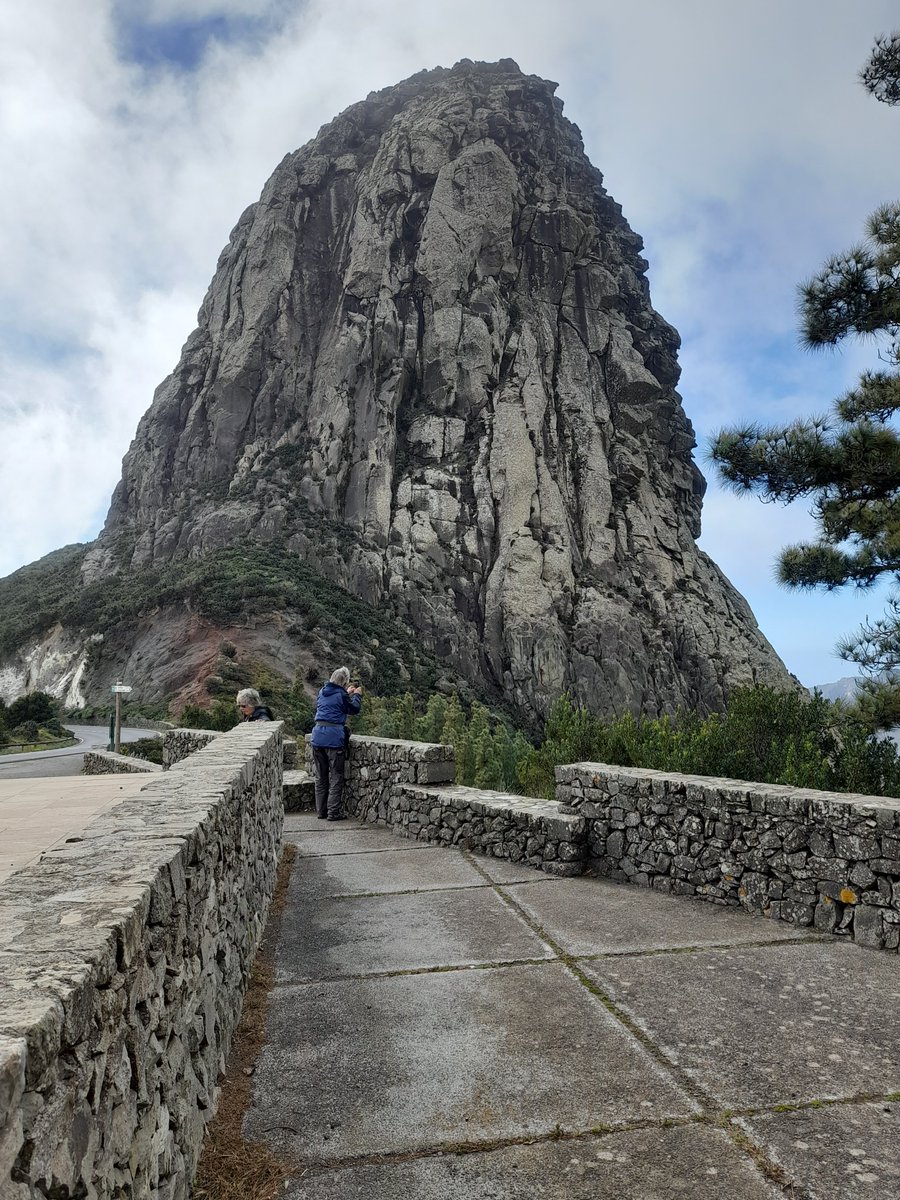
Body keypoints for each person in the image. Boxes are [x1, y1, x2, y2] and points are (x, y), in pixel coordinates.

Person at [310, 667, 362, 821]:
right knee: (336, 777)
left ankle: (321, 811)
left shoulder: (322, 692)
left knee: (321, 777)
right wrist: (357, 696)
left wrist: (347, 692)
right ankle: (333, 813)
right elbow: (354, 709)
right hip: (334, 739)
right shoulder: (341, 694)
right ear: (345, 681)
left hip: (317, 737)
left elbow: (334, 703)